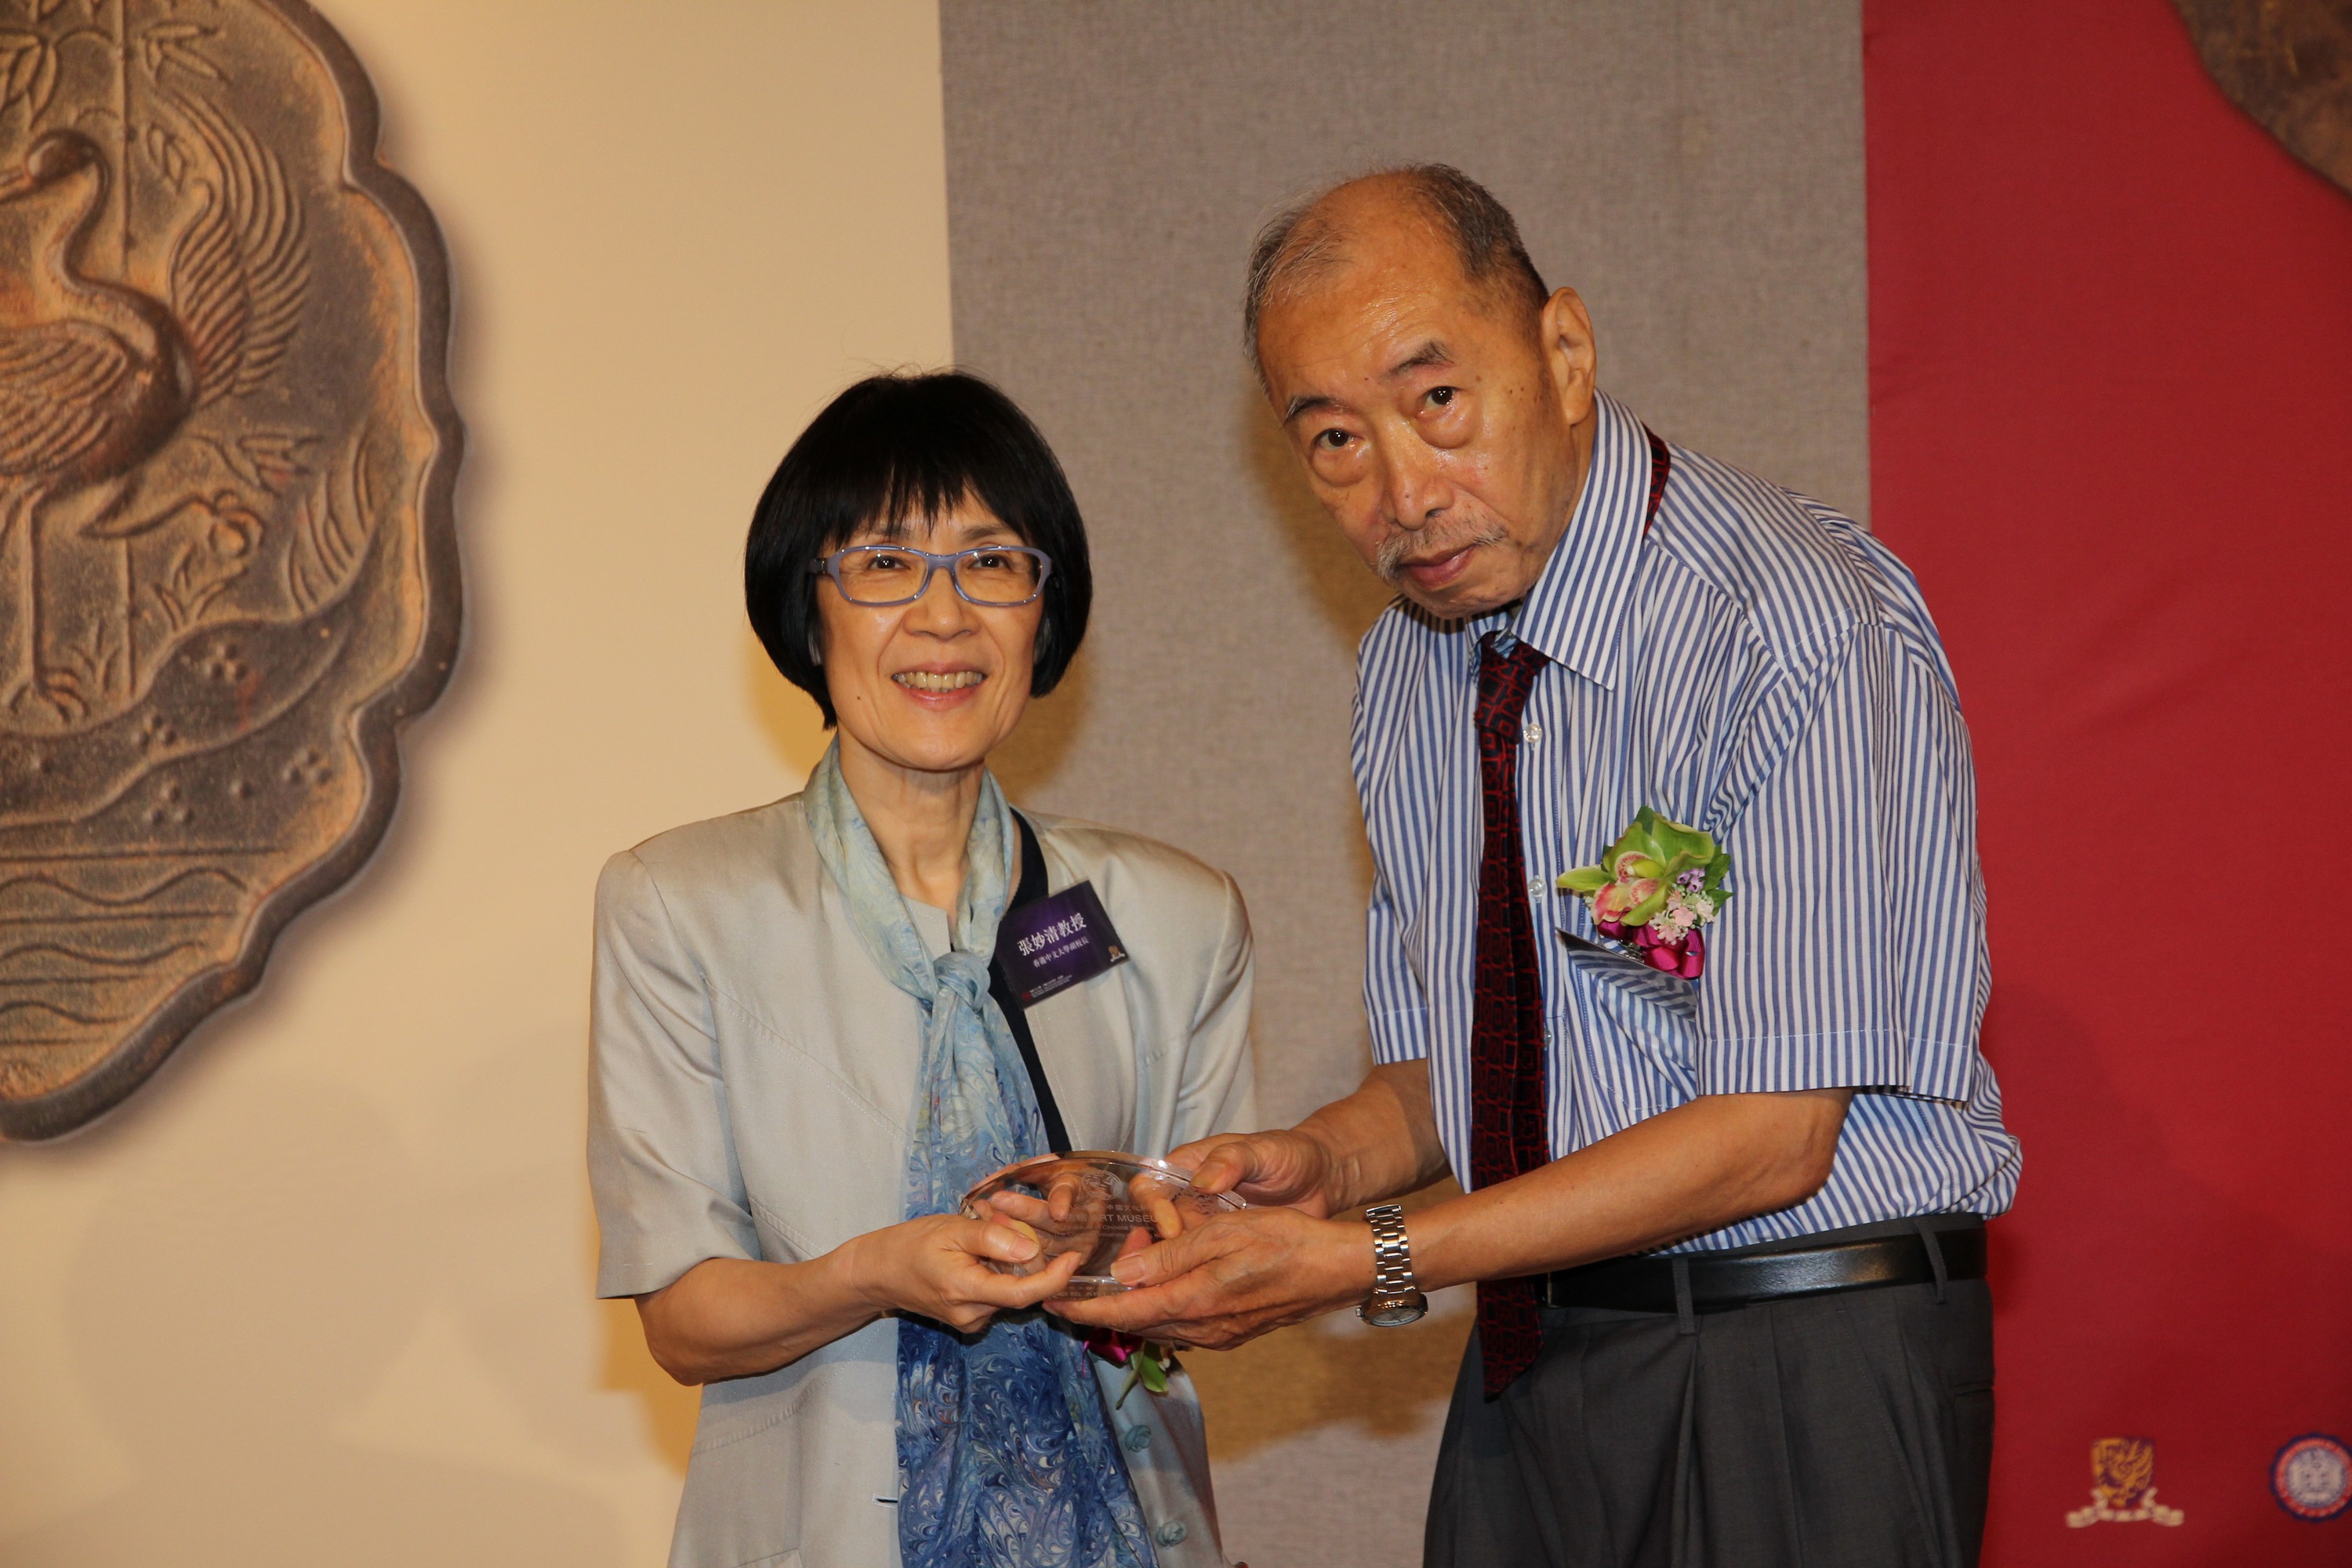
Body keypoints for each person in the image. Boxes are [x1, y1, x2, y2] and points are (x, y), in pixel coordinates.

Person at [1054, 166, 2022, 1568]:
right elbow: (1467, 1074)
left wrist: (1375, 1256)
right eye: (1332, 440)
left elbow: (1776, 1131)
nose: (1403, 492)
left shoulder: (1791, 615)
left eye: (1437, 403)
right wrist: (1322, 1163)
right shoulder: (1409, 668)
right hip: (1540, 1344)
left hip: (1800, 1350)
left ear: (1565, 352)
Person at [587, 372, 1254, 1568]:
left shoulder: (1175, 917)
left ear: (1043, 616)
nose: (944, 617)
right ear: (810, 611)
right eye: (886, 565)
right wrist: (872, 1273)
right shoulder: (680, 907)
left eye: (993, 564)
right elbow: (684, 1318)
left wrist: (1134, 1248)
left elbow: (1221, 1279)